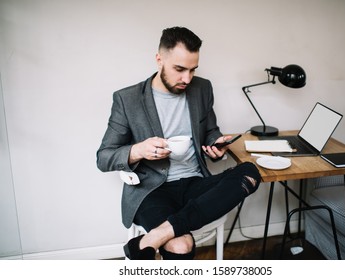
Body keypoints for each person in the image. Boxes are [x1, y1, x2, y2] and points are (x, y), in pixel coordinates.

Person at [96, 26, 260, 260]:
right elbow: (103, 157)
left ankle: (153, 238)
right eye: (179, 69)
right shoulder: (127, 99)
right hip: (151, 190)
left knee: (251, 173)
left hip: (195, 182)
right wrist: (138, 150)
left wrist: (216, 145)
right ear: (159, 59)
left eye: (193, 70)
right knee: (180, 246)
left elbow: (210, 131)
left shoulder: (202, 89)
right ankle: (171, 232)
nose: (187, 79)